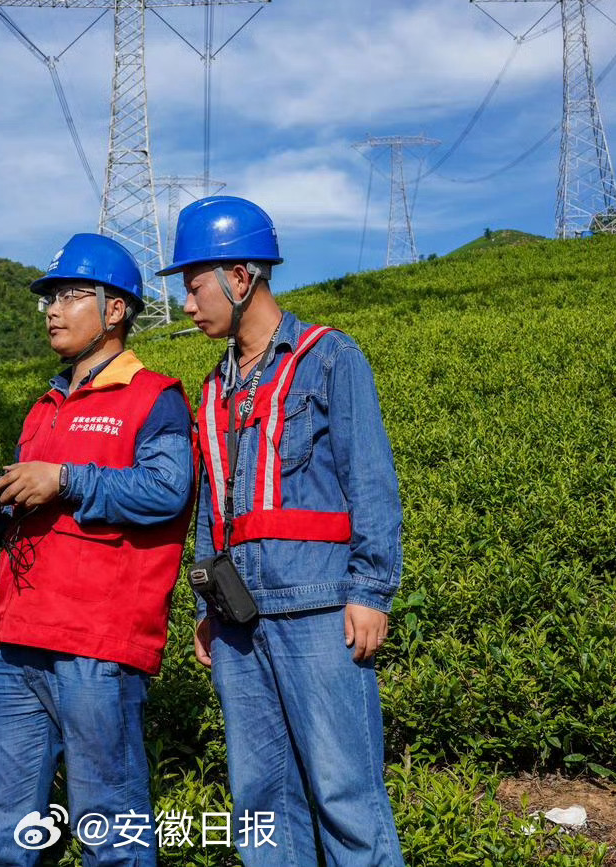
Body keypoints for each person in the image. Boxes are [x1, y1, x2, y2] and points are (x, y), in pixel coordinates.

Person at [158, 195, 405, 867]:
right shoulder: (215, 386)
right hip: (239, 623)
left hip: (319, 613)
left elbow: (370, 478)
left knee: (346, 796)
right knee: (262, 805)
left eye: (195, 285)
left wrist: (371, 592)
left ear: (240, 277)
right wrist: (207, 608)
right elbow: (213, 505)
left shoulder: (330, 358)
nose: (186, 304)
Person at [0, 232, 195, 867]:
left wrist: (64, 479)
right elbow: (27, 524)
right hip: (14, 637)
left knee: (110, 826)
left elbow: (167, 490)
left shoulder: (154, 397)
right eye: (50, 299)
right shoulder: (44, 406)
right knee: (0, 828)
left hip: (96, 640)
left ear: (115, 309)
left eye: (70, 296)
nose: (53, 311)